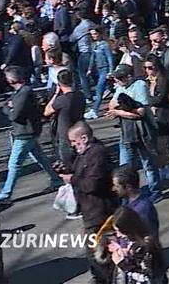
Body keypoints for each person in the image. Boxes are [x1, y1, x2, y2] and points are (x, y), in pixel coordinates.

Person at [61, 121, 117, 284]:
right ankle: (102, 276)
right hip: (90, 209)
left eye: (73, 141)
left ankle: (104, 278)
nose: (72, 145)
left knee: (95, 249)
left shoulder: (97, 154)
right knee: (96, 248)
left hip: (99, 210)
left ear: (84, 138)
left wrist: (72, 179)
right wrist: (66, 171)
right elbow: (80, 171)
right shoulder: (85, 153)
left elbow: (92, 184)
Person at [0, 66, 62, 202]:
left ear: (11, 79)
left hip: (24, 133)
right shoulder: (21, 92)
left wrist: (8, 108)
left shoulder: (23, 93)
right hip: (28, 131)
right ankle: (56, 179)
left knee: (14, 163)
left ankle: (6, 193)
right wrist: (9, 107)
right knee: (40, 158)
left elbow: (15, 115)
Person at [107, 66, 163, 202]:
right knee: (124, 166)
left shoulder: (140, 86)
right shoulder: (120, 88)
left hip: (143, 132)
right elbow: (111, 105)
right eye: (116, 78)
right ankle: (126, 196)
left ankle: (155, 191)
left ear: (129, 77)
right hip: (126, 133)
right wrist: (121, 109)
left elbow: (140, 113)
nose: (117, 81)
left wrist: (119, 112)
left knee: (148, 163)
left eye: (120, 78)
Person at [108, 206, 169, 284]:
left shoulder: (146, 248)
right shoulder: (135, 243)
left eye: (119, 231)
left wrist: (122, 264)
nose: (118, 235)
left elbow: (146, 279)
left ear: (127, 229)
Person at [44, 69, 85, 168]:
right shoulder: (80, 95)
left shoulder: (61, 100)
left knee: (67, 163)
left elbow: (47, 111)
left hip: (64, 135)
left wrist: (55, 94)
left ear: (59, 83)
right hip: (79, 130)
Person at [112, 165, 160, 236]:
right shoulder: (126, 202)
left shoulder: (142, 209)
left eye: (117, 186)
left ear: (128, 187)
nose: (113, 189)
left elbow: (149, 237)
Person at [86, 26, 116, 119]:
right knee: (111, 89)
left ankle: (94, 110)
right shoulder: (94, 45)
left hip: (105, 69)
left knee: (99, 90)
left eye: (95, 33)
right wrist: (90, 68)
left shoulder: (105, 45)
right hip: (98, 70)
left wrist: (111, 71)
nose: (93, 36)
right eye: (92, 34)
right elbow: (92, 58)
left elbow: (109, 58)